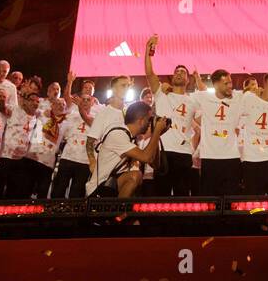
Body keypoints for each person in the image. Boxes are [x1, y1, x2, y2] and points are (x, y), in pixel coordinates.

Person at [143, 35, 198, 195]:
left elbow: (203, 125)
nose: (179, 73)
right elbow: (149, 73)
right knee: (161, 195)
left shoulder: (193, 101)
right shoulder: (161, 93)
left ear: (188, 80)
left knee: (182, 196)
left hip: (184, 153)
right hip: (163, 151)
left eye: (183, 72)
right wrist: (148, 51)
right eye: (176, 71)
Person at [87, 102, 171, 198]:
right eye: (149, 119)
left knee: (137, 177)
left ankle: (121, 210)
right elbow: (146, 157)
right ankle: (120, 211)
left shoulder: (133, 139)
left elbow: (154, 164)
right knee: (135, 175)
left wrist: (156, 134)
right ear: (141, 121)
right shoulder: (118, 134)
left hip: (111, 187)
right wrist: (156, 131)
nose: (150, 123)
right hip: (98, 191)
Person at [191, 69, 241, 195]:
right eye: (226, 83)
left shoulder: (238, 97)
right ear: (216, 85)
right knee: (210, 199)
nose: (230, 86)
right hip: (209, 158)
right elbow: (182, 101)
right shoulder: (203, 98)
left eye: (230, 82)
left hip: (232, 157)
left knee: (231, 200)